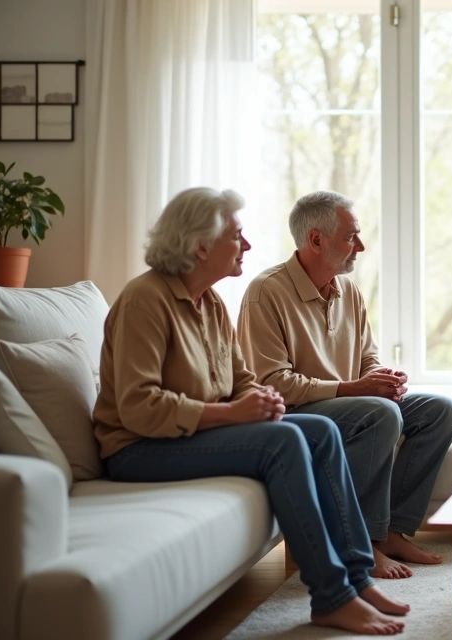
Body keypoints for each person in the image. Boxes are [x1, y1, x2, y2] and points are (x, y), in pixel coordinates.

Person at [93, 187, 409, 635]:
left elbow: (242, 380)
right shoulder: (145, 300)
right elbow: (139, 408)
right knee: (283, 442)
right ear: (201, 246)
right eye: (236, 236)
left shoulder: (212, 303)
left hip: (189, 436)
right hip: (138, 449)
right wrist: (232, 414)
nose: (248, 246)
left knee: (318, 429)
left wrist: (267, 402)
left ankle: (356, 577)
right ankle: (331, 596)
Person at [238, 191, 452, 580]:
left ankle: (393, 532)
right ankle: (359, 542)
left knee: (441, 410)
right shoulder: (266, 292)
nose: (360, 245)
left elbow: (366, 359)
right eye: (351, 236)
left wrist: (384, 379)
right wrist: (354, 389)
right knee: (380, 414)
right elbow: (271, 383)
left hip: (351, 404)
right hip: (294, 414)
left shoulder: (348, 291)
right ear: (316, 240)